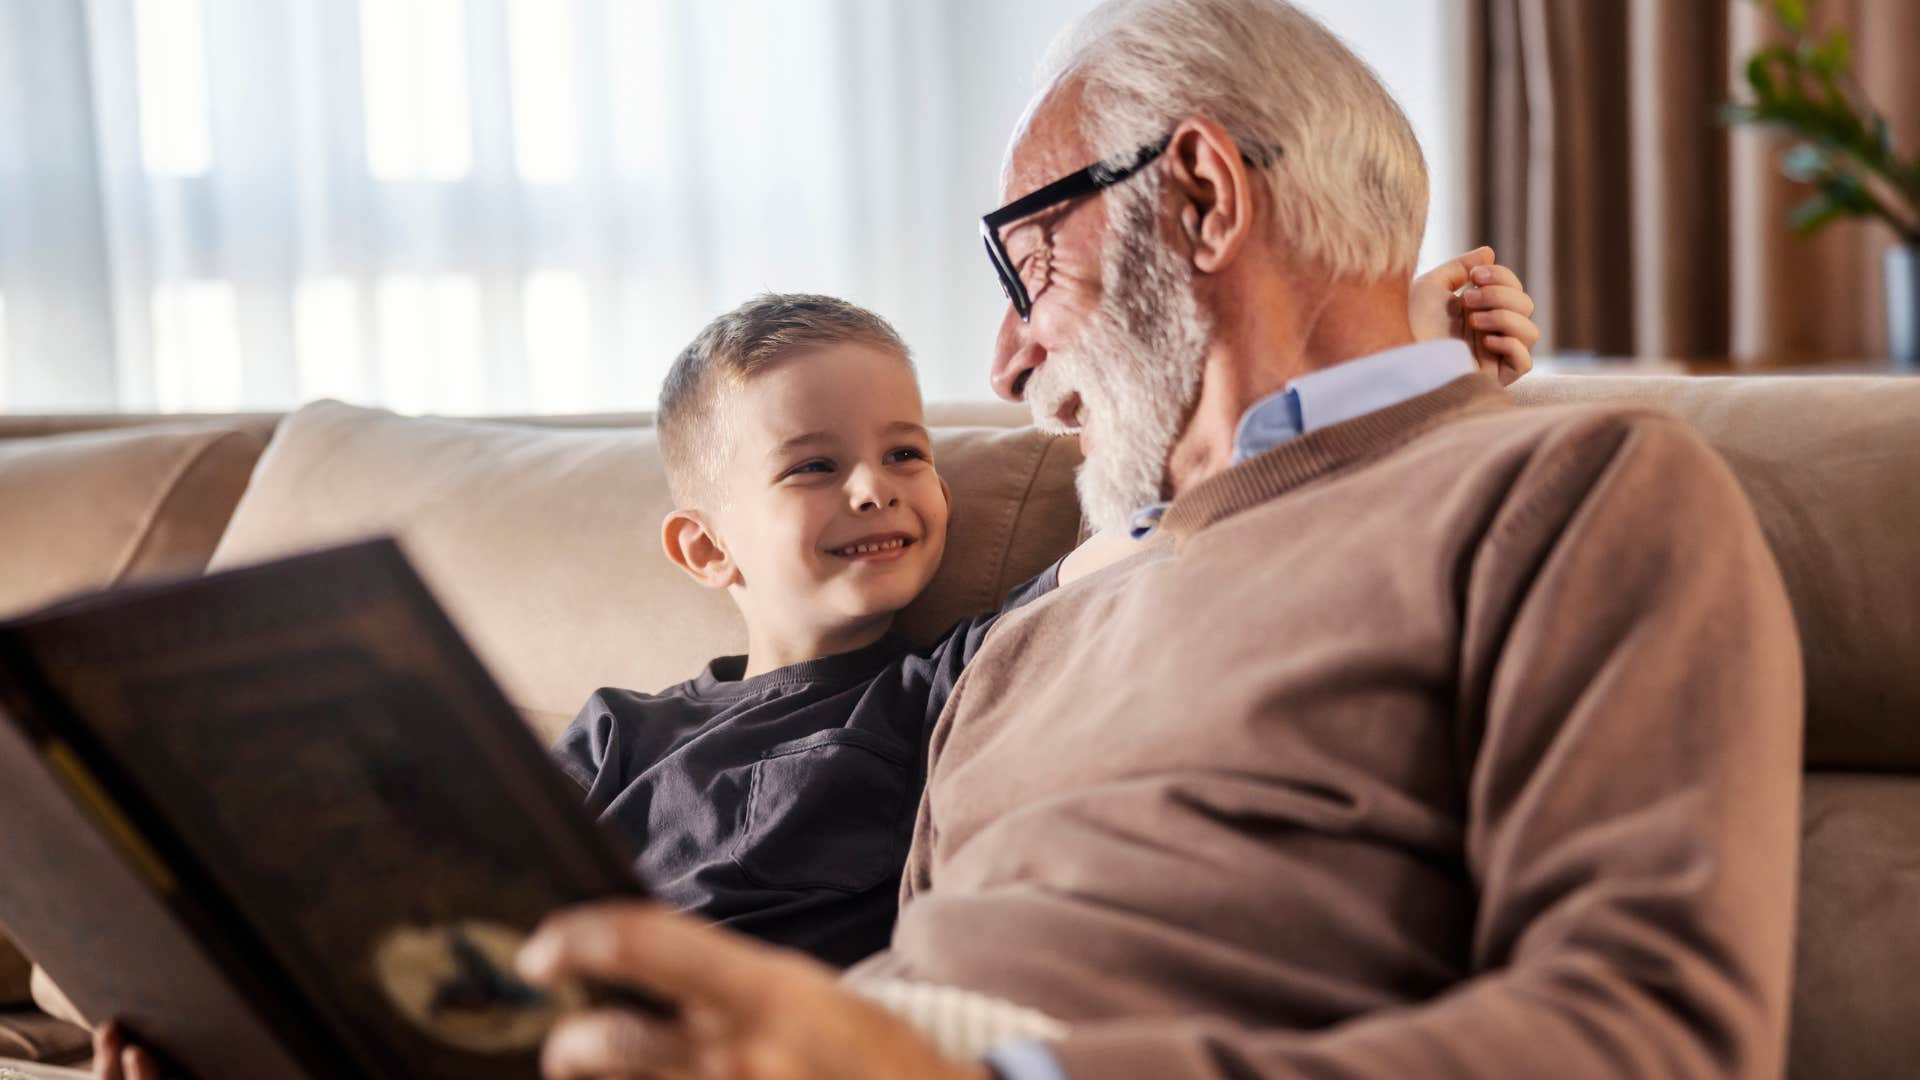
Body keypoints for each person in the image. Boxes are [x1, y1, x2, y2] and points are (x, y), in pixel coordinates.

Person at [487, 1, 1803, 1079]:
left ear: (1201, 199)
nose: (1005, 363)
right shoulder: (1032, 638)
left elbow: (1647, 1034)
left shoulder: (1576, 494)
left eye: (1030, 269)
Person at [88, 287, 1541, 1080]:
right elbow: (459, 930)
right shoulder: (621, 731)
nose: (880, 487)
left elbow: (1178, 512)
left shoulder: (952, 683)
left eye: (907, 450)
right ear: (703, 543)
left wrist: (1401, 348)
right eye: (815, 465)